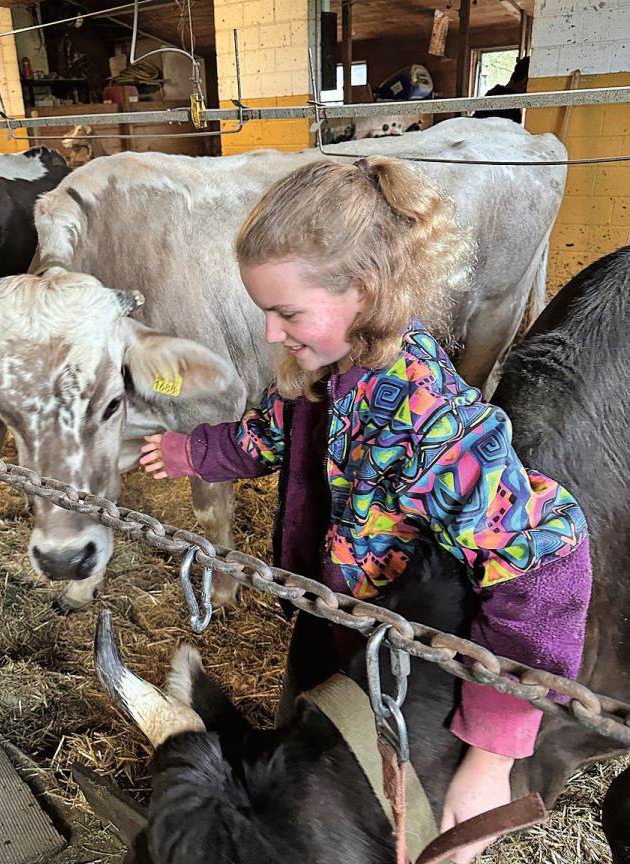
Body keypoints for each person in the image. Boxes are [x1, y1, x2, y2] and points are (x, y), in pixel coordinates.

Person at [139, 157, 591, 863]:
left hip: (414, 649)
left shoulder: (433, 420)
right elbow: (273, 434)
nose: (269, 334)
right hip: (342, 607)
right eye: (265, 312)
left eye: (285, 312)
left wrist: (493, 756)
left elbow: (544, 561)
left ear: (364, 288)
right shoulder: (330, 370)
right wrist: (196, 453)